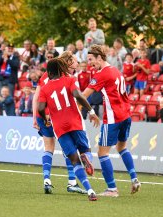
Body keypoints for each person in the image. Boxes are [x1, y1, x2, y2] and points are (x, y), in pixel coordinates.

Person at [38, 57, 100, 201]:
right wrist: (91, 112)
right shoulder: (70, 80)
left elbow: (40, 107)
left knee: (73, 160)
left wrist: (46, 118)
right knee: (86, 150)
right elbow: (78, 95)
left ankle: (90, 190)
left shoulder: (45, 88)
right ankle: (86, 158)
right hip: (75, 123)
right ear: (61, 69)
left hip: (59, 128)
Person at [83, 44, 141, 197]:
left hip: (113, 118)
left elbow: (83, 96)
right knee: (122, 148)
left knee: (102, 154)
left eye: (91, 60)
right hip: (126, 115)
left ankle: (112, 189)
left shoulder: (101, 75)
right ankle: (134, 179)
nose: (90, 63)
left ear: (100, 58)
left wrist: (89, 110)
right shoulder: (115, 70)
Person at [33, 52, 88, 195]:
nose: (76, 65)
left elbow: (37, 97)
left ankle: (46, 180)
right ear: (68, 63)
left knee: (48, 147)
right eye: (75, 62)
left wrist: (35, 118)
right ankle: (72, 182)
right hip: (57, 116)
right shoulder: (65, 77)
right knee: (68, 149)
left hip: (42, 115)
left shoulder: (47, 75)